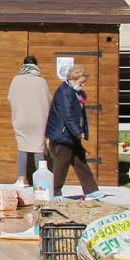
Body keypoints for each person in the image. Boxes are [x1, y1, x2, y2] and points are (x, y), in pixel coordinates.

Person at [46, 64, 102, 199]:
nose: (83, 85)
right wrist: (78, 131)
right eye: (81, 82)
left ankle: (91, 190)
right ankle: (55, 192)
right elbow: (67, 114)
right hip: (63, 134)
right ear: (71, 79)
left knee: (80, 161)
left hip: (70, 134)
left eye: (84, 82)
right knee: (61, 163)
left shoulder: (73, 92)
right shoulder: (64, 92)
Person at [7, 55, 51, 185]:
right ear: (36, 66)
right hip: (38, 120)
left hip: (21, 119)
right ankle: (40, 181)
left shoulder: (16, 80)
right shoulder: (41, 81)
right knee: (38, 148)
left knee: (22, 147)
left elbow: (10, 97)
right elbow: (48, 99)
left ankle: (22, 179)